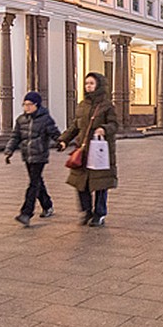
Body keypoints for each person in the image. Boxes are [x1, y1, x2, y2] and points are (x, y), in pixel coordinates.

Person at [56, 73, 118, 227]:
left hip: (100, 151)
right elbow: (75, 126)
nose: (88, 86)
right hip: (83, 150)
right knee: (80, 182)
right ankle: (86, 211)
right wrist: (63, 140)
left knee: (100, 184)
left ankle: (99, 213)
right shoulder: (82, 105)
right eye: (86, 83)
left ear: (99, 85)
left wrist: (104, 129)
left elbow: (115, 125)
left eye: (91, 83)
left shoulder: (107, 105)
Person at [5, 91, 61, 228]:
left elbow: (54, 133)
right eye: (25, 104)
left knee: (33, 184)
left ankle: (26, 213)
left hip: (40, 155)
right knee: (37, 182)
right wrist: (9, 150)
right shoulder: (21, 120)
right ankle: (47, 205)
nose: (27, 107)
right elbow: (15, 137)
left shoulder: (45, 119)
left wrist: (61, 142)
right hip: (27, 155)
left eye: (30, 104)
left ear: (37, 105)